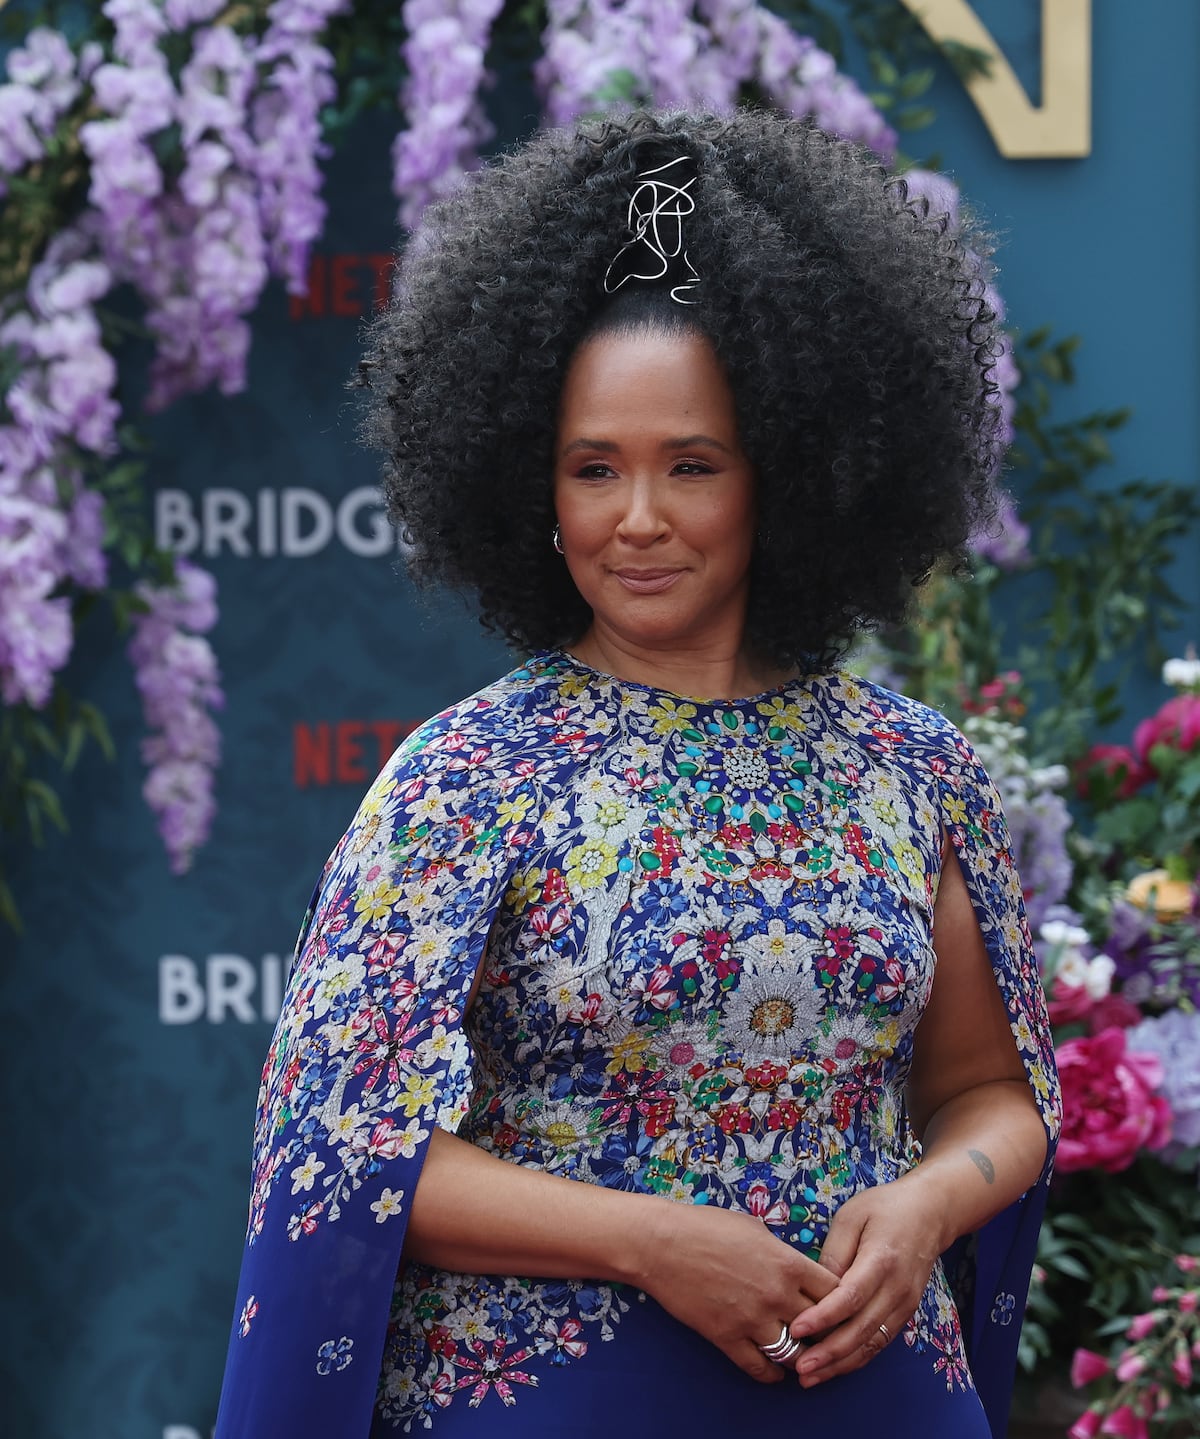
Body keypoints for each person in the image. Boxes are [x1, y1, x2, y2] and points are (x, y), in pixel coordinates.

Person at [214, 108, 1060, 1439]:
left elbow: (988, 1095)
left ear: (788, 481)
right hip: (551, 1398)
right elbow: (347, 1151)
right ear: (531, 493)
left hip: (872, 1392)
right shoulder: (467, 777)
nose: (640, 518)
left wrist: (928, 1205)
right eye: (594, 468)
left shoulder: (918, 768)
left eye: (694, 466)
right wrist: (650, 1243)